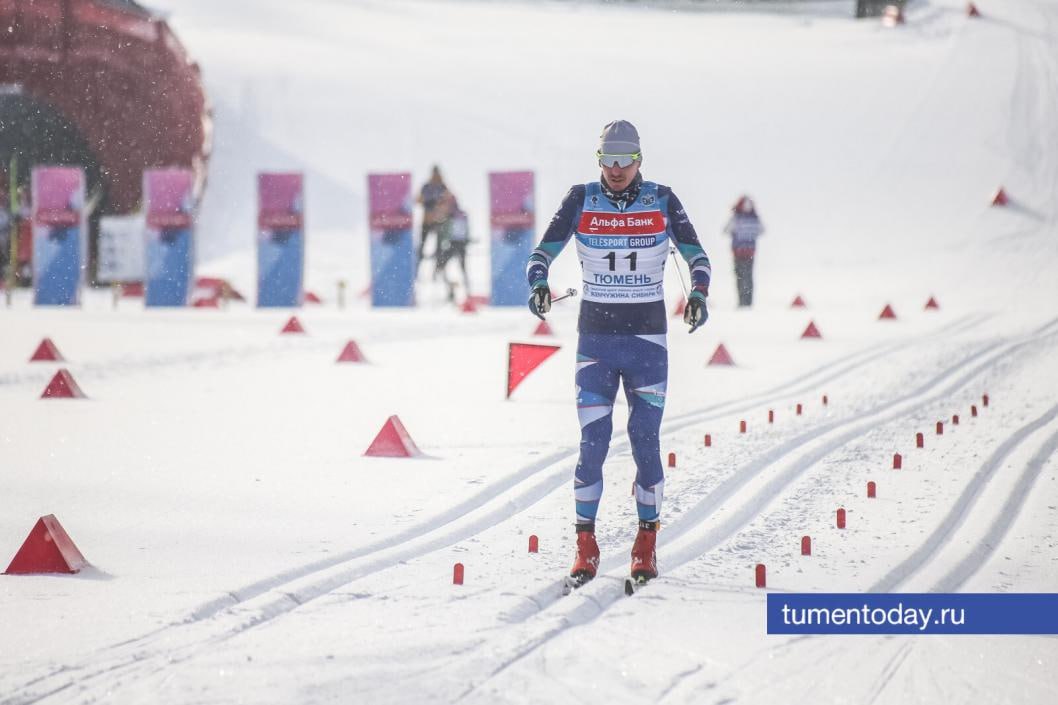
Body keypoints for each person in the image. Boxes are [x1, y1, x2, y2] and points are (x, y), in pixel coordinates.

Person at [526, 120, 711, 587]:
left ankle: (645, 542)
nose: (615, 170)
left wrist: (699, 293)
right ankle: (585, 545)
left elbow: (698, 257)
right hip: (596, 343)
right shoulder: (580, 197)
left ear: (639, 160)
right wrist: (538, 285)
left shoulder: (663, 199)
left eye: (623, 161)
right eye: (607, 161)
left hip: (647, 343)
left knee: (645, 442)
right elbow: (540, 254)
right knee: (593, 445)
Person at [723, 196, 764, 307]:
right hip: (746, 252)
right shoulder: (754, 218)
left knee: (742, 277)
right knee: (746, 277)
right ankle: (745, 301)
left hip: (741, 252)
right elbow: (762, 230)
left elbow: (726, 230)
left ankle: (744, 302)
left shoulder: (736, 218)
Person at [434, 192, 471, 301]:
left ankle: (461, 293)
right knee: (457, 269)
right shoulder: (457, 214)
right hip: (455, 243)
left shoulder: (451, 215)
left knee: (448, 267)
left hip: (455, 243)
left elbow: (445, 231)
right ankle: (456, 292)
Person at [416, 165, 452, 274]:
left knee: (439, 249)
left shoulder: (442, 187)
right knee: (423, 247)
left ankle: (438, 270)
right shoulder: (428, 187)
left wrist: (438, 204)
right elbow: (418, 200)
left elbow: (449, 202)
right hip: (429, 220)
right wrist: (429, 203)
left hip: (437, 221)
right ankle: (419, 269)